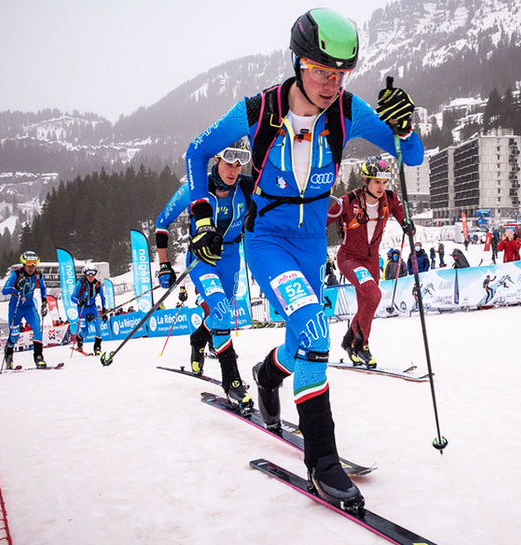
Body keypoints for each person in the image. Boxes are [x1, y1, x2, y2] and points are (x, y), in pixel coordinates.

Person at [184, 8, 424, 512]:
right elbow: (196, 152)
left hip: (315, 244)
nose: (331, 83)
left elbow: (413, 156)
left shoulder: (349, 111)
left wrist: (406, 125)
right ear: (298, 63)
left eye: (341, 74)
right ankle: (322, 459)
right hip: (268, 240)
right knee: (316, 327)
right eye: (321, 71)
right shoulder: (258, 109)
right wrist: (202, 219)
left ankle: (269, 375)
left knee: (303, 339)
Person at [155, 139, 254, 410]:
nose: (233, 170)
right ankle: (232, 380)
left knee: (218, 312)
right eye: (228, 163)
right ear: (215, 162)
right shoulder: (195, 189)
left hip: (232, 257)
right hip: (202, 260)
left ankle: (199, 338)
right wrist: (164, 265)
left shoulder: (246, 187)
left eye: (239, 164)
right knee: (221, 310)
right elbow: (162, 223)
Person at [327, 156, 413, 368]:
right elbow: (322, 221)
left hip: (372, 261)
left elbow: (402, 213)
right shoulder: (349, 201)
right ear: (366, 181)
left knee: (368, 303)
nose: (381, 187)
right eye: (376, 182)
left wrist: (407, 225)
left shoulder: (390, 199)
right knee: (374, 295)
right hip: (349, 259)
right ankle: (361, 345)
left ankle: (349, 341)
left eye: (384, 182)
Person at [1, 251, 48, 369]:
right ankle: (9, 354)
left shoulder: (37, 275)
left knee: (37, 327)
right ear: (24, 264)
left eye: (34, 265)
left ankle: (38, 357)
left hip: (29, 306)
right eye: (29, 265)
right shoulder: (16, 274)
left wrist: (43, 301)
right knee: (15, 335)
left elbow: (43, 287)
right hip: (16, 306)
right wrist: (16, 288)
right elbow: (4, 290)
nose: (32, 268)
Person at [70, 264, 107, 356]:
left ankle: (97, 347)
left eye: (93, 273)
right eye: (88, 274)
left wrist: (104, 310)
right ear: (85, 274)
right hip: (82, 308)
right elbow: (72, 297)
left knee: (98, 326)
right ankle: (79, 338)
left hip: (93, 308)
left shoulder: (97, 284)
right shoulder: (80, 283)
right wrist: (79, 301)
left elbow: (103, 298)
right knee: (85, 332)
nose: (90, 276)